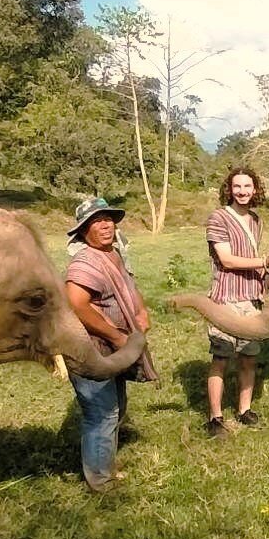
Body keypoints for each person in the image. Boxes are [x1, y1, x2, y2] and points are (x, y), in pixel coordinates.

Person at [64, 197, 156, 492]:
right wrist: (117, 337)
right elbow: (77, 305)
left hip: (113, 349)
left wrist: (140, 312)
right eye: (96, 221)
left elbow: (129, 286)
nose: (106, 225)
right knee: (101, 413)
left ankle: (105, 467)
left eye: (108, 219)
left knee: (116, 407)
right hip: (91, 350)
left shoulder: (114, 255)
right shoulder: (85, 262)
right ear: (83, 231)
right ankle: (100, 482)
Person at [203, 167, 269, 438]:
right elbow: (227, 260)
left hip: (251, 299)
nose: (242, 192)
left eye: (247, 186)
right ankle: (215, 416)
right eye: (237, 187)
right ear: (229, 190)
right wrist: (264, 262)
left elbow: (251, 254)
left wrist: (264, 275)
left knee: (248, 358)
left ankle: (244, 410)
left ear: (255, 189)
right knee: (221, 357)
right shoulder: (218, 218)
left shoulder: (256, 220)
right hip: (226, 299)